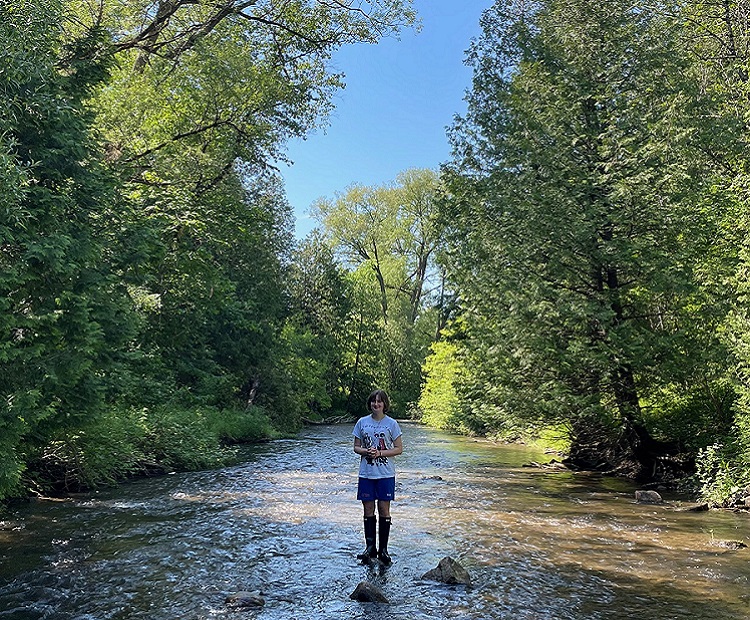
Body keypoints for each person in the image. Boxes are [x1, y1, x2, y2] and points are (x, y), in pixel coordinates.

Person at [352, 389, 403, 565]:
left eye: (379, 401)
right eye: (373, 401)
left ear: (384, 404)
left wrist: (380, 452)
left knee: (384, 510)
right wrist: (366, 451)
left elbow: (398, 449)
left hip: (386, 474)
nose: (376, 404)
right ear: (370, 404)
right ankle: (370, 548)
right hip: (366, 473)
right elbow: (356, 447)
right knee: (368, 510)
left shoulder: (392, 424)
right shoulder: (361, 422)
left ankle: (384, 550)